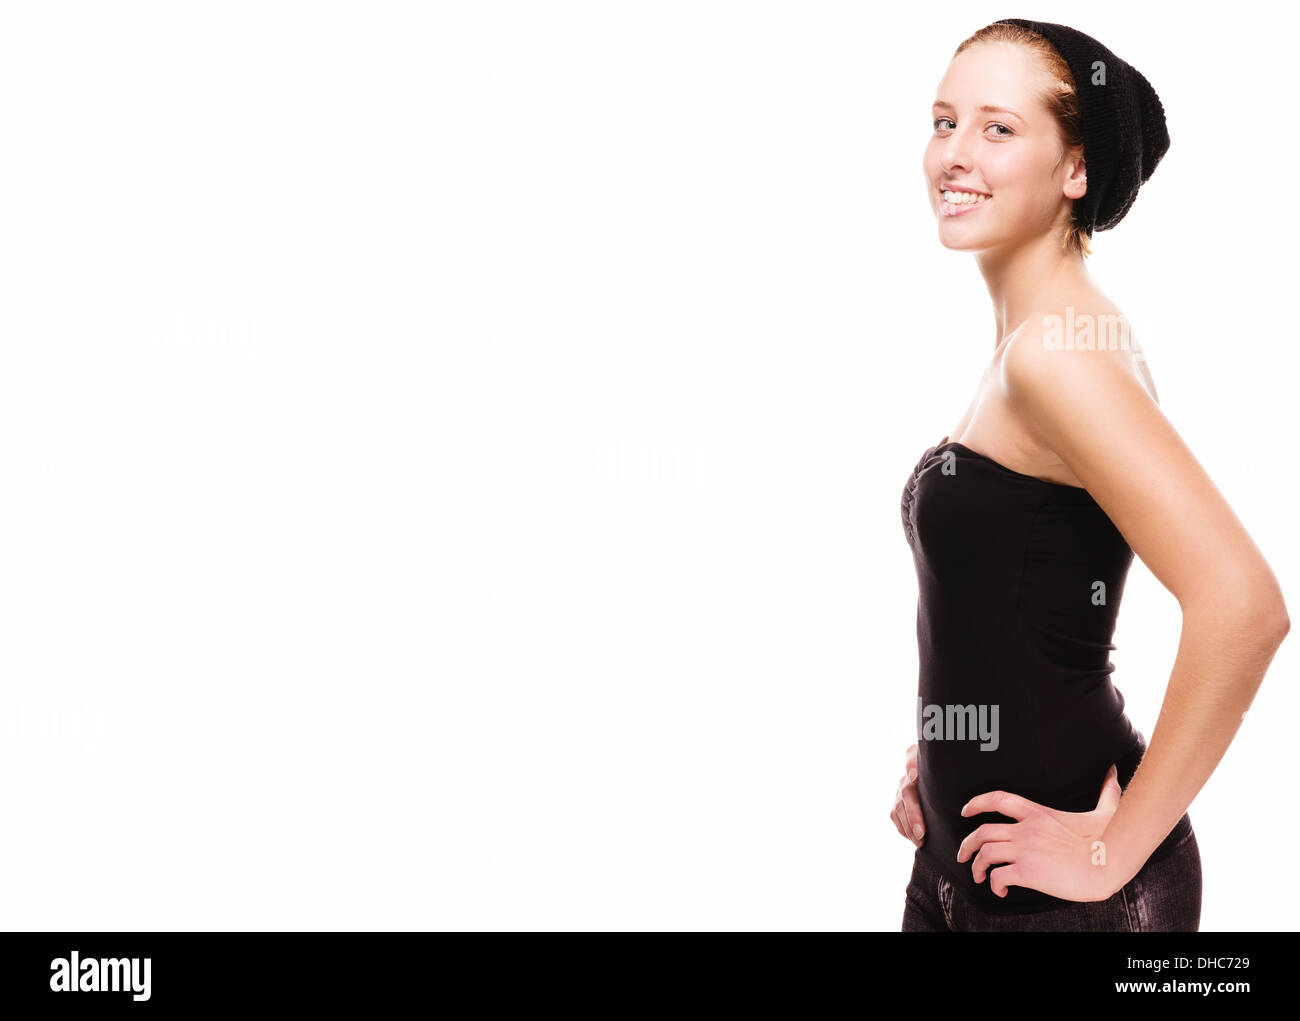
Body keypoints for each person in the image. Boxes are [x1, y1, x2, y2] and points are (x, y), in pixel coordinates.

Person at [893, 19, 1289, 932]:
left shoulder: (1058, 355)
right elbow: (1020, 602)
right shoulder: (1037, 342)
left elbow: (1246, 603)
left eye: (998, 128)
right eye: (944, 120)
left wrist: (1111, 848)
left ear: (1076, 170)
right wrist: (948, 747)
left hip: (1071, 897)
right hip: (971, 863)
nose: (955, 153)